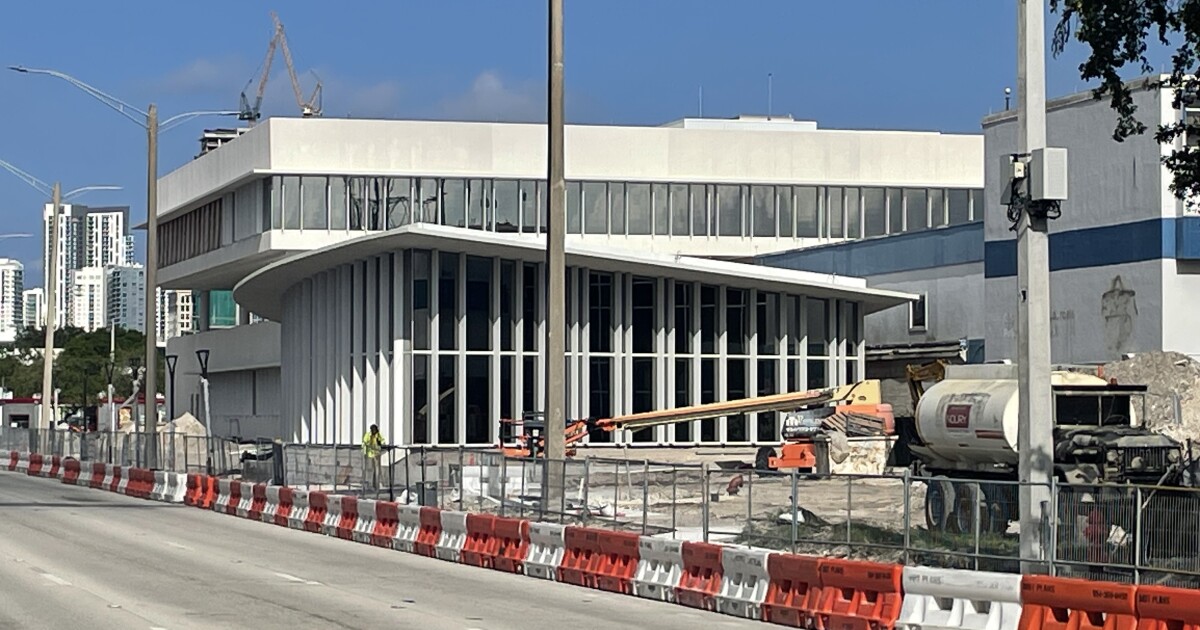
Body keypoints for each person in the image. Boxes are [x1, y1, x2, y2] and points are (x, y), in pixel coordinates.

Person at [362, 424, 386, 492]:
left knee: (377, 470)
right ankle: (370, 484)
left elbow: (383, 441)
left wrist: (381, 443)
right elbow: (364, 443)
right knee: (370, 470)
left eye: (375, 430)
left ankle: (377, 485)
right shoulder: (368, 435)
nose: (374, 431)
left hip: (377, 454)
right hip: (369, 455)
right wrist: (364, 452)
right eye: (373, 430)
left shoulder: (378, 435)